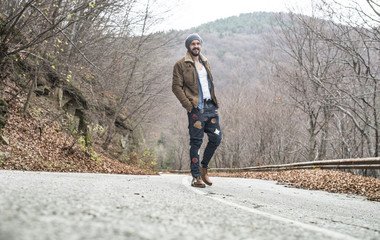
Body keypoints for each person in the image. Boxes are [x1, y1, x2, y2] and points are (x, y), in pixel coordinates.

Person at [172, 33, 222, 188]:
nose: (196, 46)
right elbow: (176, 87)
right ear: (188, 46)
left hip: (210, 107)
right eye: (193, 44)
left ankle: (204, 168)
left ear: (201, 45)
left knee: (216, 138)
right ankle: (196, 177)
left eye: (198, 43)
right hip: (196, 109)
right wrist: (188, 105)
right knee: (196, 142)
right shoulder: (180, 64)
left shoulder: (205, 62)